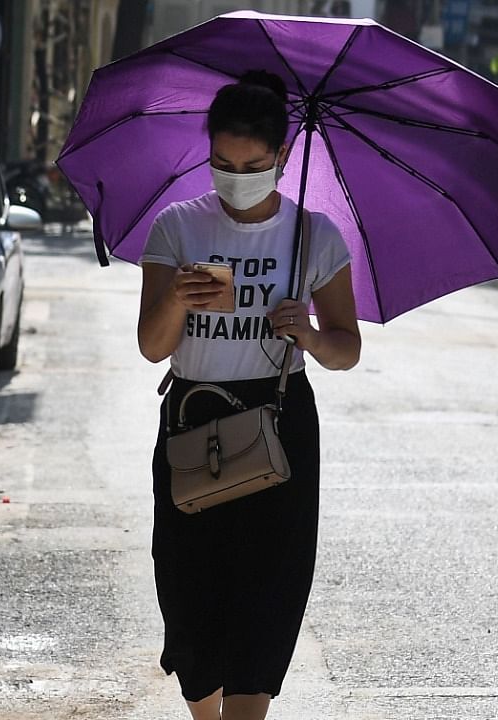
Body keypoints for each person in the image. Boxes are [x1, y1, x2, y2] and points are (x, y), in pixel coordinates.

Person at [136, 70, 361, 720]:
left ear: (284, 158)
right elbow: (153, 347)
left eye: (253, 165)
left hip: (280, 427)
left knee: (267, 601)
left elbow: (347, 348)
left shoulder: (314, 236)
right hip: (192, 418)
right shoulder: (177, 227)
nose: (236, 177)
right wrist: (180, 297)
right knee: (188, 599)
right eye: (221, 163)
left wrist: (310, 335)